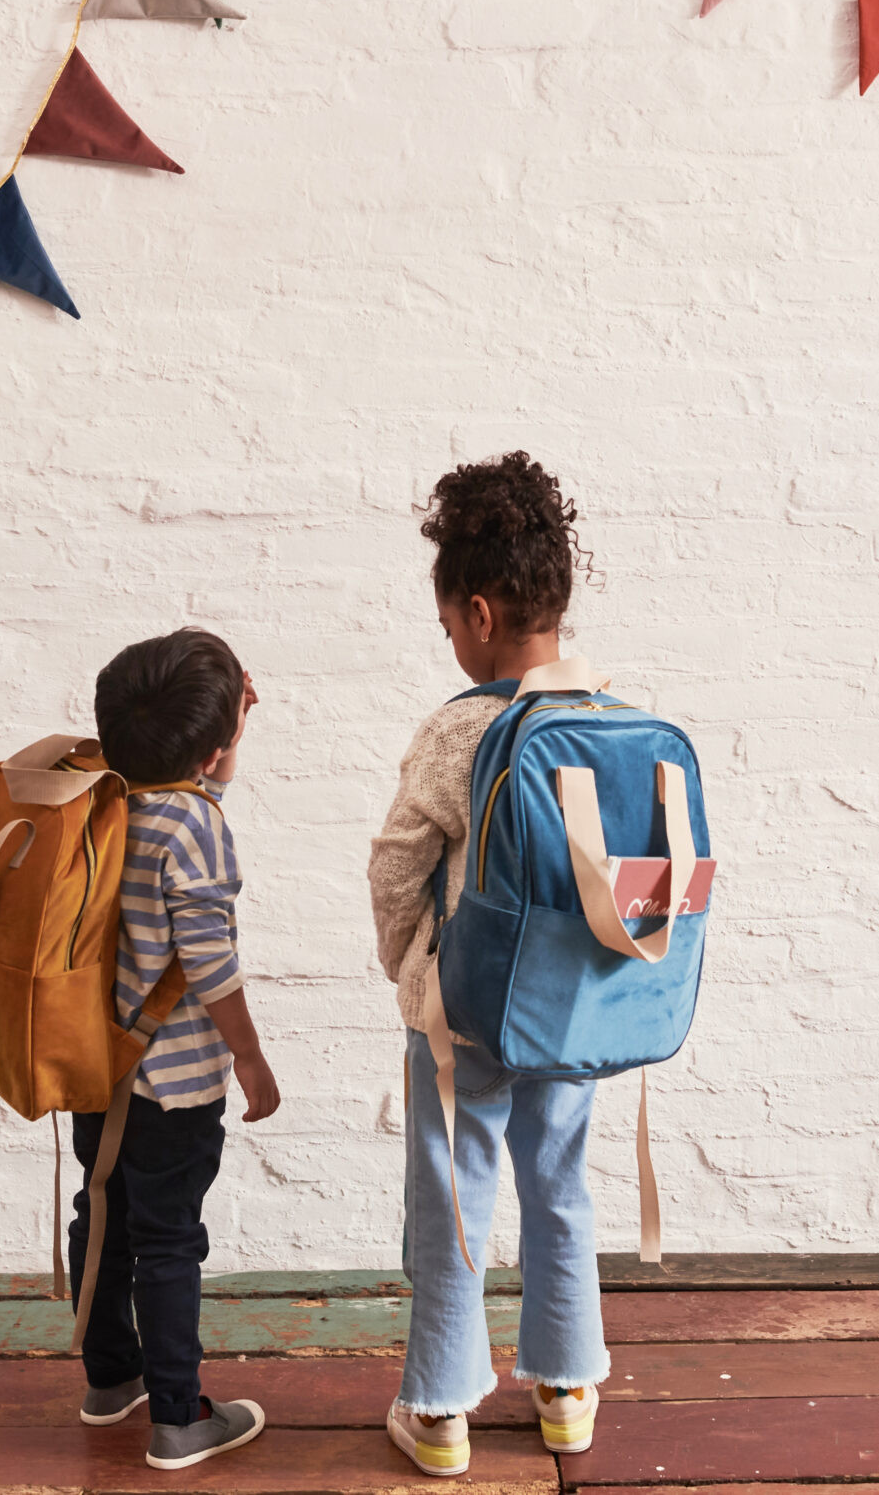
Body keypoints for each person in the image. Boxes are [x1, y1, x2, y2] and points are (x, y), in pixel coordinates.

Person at [368, 452, 607, 1476]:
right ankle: (565, 1393)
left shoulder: (459, 731)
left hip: (462, 1015)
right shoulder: (602, 721)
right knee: (559, 1183)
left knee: (453, 1192)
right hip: (572, 1012)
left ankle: (439, 1413)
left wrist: (407, 970)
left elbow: (396, 866)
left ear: (472, 614)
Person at [74, 627, 281, 1471]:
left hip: (100, 1067)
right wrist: (252, 1057)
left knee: (103, 1219)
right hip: (173, 1083)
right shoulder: (193, 823)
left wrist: (224, 730)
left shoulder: (103, 800)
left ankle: (108, 1380)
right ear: (209, 747)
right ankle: (178, 1417)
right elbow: (208, 959)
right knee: (169, 1241)